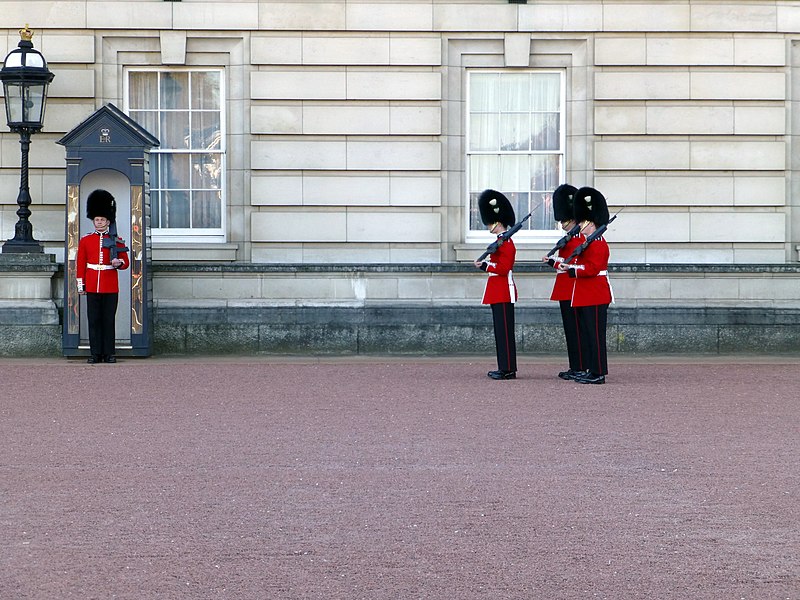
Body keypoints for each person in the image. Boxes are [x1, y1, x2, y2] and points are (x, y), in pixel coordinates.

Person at [558, 186, 612, 385]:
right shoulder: (589, 242)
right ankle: (591, 368)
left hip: (596, 294)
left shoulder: (598, 243)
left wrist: (572, 269)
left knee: (595, 335)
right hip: (587, 294)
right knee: (588, 334)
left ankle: (598, 372)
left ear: (591, 222)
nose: (579, 225)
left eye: (582, 222)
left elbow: (592, 268)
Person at [76, 189, 129, 364]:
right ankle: (95, 353)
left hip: (110, 285)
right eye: (97, 220)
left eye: (102, 220)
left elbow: (126, 262)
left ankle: (109, 353)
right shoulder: (86, 240)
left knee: (108, 321)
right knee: (94, 321)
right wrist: (80, 285)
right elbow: (81, 263)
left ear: (108, 221)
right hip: (91, 284)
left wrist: (118, 263)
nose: (99, 222)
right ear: (93, 221)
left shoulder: (117, 240)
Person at [542, 184, 585, 381]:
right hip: (565, 288)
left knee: (577, 330)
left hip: (573, 289)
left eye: (565, 221)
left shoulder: (579, 241)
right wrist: (553, 261)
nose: (562, 224)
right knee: (570, 331)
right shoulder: (568, 239)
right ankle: (575, 365)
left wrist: (554, 262)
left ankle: (580, 366)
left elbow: (570, 264)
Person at [473, 189, 518, 380]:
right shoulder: (499, 242)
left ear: (497, 223)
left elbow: (503, 268)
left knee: (505, 331)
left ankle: (508, 368)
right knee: (500, 332)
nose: (489, 226)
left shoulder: (507, 243)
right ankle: (504, 366)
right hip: (496, 290)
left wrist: (485, 265)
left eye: (490, 222)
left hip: (503, 291)